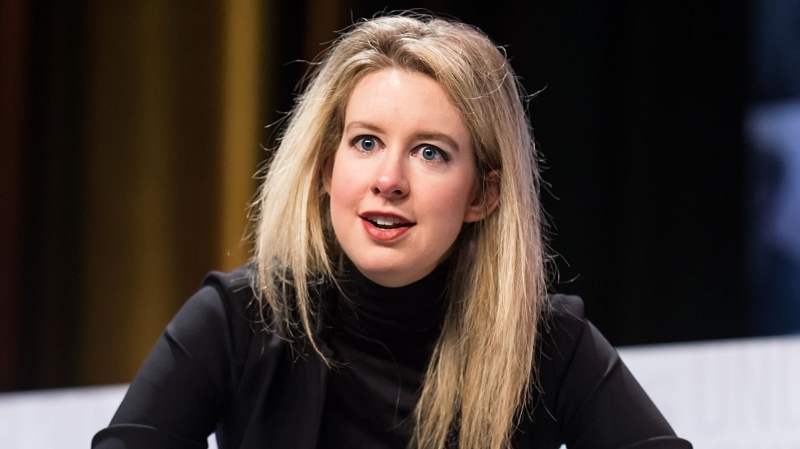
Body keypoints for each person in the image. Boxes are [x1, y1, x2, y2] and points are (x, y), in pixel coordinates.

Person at [92, 14, 692, 449]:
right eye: (366, 142)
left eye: (430, 152)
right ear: (326, 169)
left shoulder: (548, 343)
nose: (389, 180)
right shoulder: (238, 316)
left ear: (483, 196)